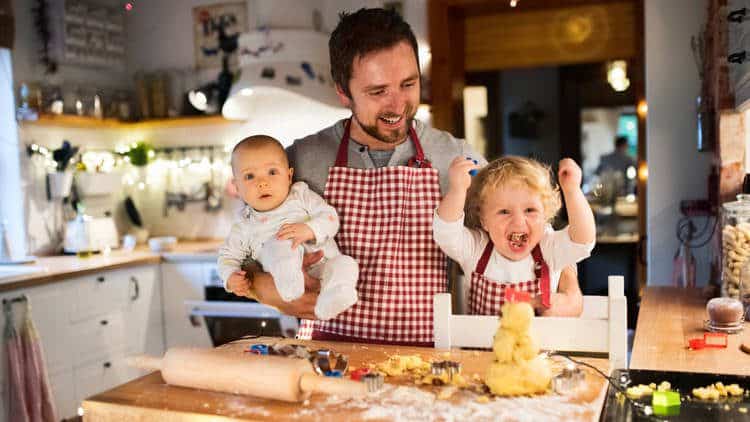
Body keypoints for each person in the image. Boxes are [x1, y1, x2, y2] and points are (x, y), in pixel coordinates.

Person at [227, 8, 581, 345]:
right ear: (342, 91)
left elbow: (529, 230)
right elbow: (244, 242)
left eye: (408, 84)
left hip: (424, 360)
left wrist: (570, 292)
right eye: (378, 92)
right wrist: (265, 288)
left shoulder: (455, 157)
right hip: (327, 357)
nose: (398, 105)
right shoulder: (302, 159)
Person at [217, 135, 359, 321]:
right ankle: (290, 284)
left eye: (272, 172)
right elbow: (227, 257)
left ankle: (335, 297)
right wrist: (229, 278)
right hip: (282, 279)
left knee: (346, 264)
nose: (262, 182)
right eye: (249, 176)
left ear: (289, 175)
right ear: (237, 186)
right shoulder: (244, 226)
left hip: (323, 265)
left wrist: (310, 229)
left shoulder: (301, 195)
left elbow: (330, 216)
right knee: (280, 244)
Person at [433, 156, 595, 316]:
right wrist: (457, 190)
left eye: (530, 210)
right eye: (504, 212)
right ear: (484, 220)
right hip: (483, 342)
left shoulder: (548, 248)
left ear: (545, 215)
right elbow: (446, 233)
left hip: (536, 343)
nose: (518, 222)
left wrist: (573, 191)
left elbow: (582, 241)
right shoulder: (476, 248)